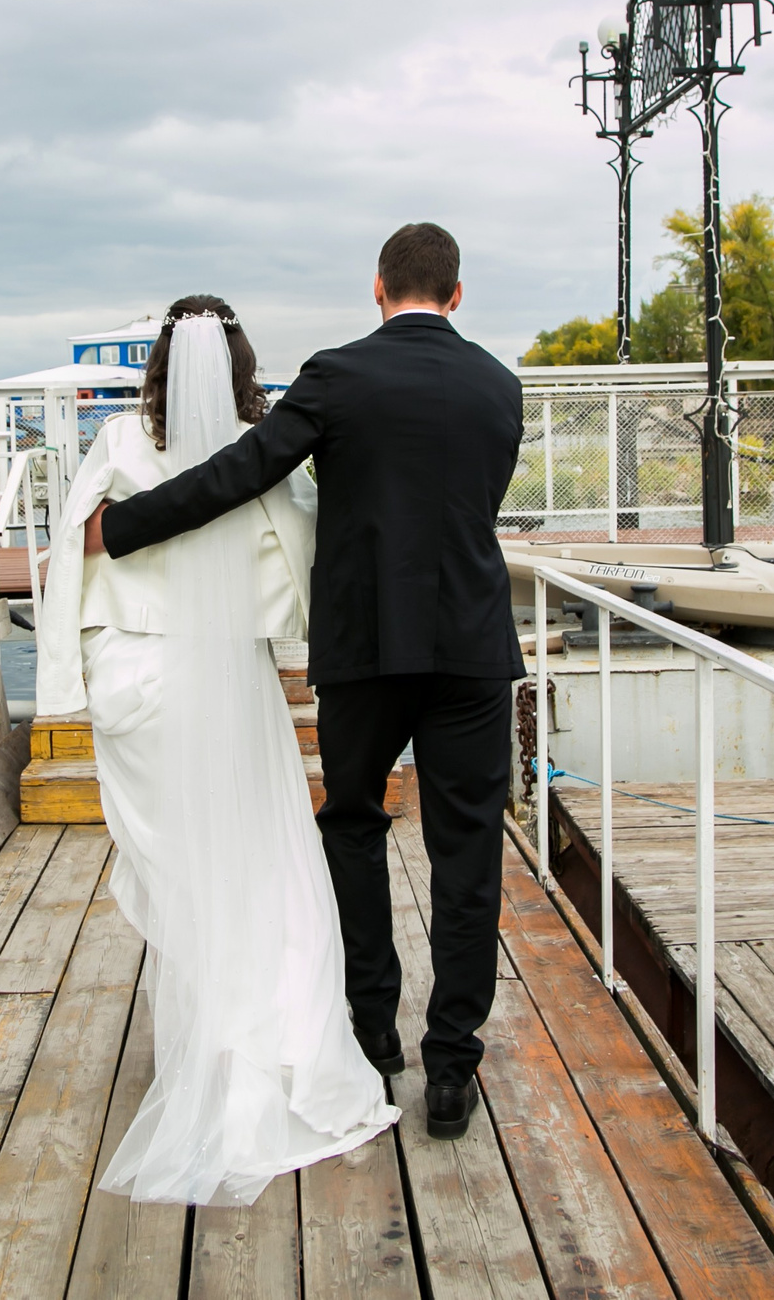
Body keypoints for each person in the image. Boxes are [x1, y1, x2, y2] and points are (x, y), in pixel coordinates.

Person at [87, 223, 525, 1144]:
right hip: (474, 651)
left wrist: (123, 528)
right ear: (455, 293)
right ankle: (452, 1067)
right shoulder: (499, 384)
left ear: (378, 288)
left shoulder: (337, 375)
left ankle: (371, 1031)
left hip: (365, 649)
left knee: (356, 825)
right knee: (467, 853)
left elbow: (240, 473)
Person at [37, 296, 397, 1206]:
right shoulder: (260, 448)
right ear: (240, 362)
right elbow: (307, 545)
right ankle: (260, 1040)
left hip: (139, 678)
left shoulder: (119, 440)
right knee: (255, 857)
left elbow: (77, 548)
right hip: (228, 680)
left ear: (159, 359)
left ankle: (208, 1032)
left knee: (183, 866)